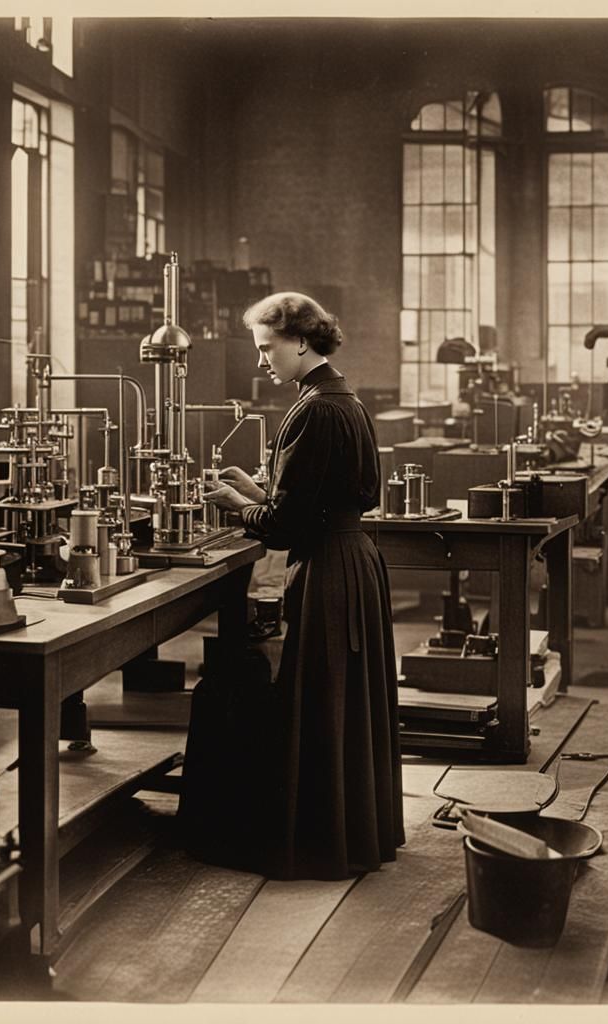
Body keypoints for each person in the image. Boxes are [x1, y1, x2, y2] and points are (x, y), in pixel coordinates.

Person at [183, 291, 405, 881]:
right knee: (341, 706)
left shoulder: (314, 410)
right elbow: (319, 503)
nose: (261, 361)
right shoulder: (343, 399)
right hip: (353, 559)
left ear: (300, 340)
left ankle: (317, 842)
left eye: (266, 348)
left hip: (328, 569)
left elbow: (286, 528)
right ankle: (353, 831)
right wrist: (259, 495)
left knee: (320, 706)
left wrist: (235, 506)